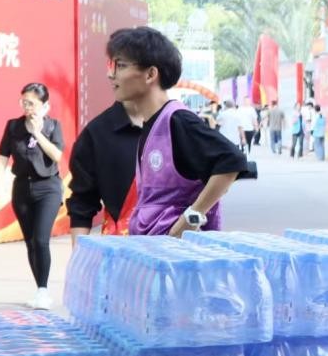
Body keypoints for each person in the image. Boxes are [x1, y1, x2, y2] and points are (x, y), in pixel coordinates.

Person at [106, 26, 249, 236]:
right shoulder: (151, 124)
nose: (111, 74)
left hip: (179, 251)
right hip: (154, 245)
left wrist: (190, 219)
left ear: (150, 74)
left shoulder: (177, 120)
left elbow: (232, 161)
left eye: (120, 66)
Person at [0, 82, 65, 309]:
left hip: (48, 188)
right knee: (31, 242)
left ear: (44, 105)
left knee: (41, 239)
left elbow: (57, 155)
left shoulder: (53, 126)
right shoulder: (13, 126)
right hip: (22, 189)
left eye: (31, 103)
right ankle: (39, 289)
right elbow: (3, 156)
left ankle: (44, 291)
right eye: (23, 102)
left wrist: (37, 133)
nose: (26, 107)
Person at [67, 99, 144, 241]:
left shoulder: (177, 123)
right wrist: (78, 253)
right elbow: (83, 201)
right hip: (122, 247)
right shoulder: (96, 133)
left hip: (176, 248)